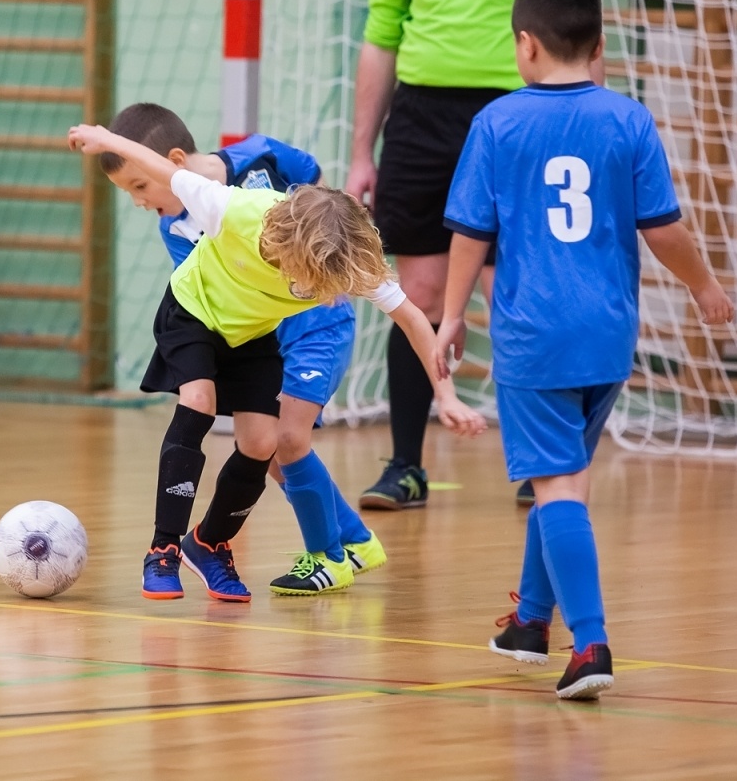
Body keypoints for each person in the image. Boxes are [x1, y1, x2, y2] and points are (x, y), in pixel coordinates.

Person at [433, 0, 733, 699]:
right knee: (561, 474)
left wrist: (449, 317)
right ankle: (531, 621)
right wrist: (703, 285)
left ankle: (590, 643)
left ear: (525, 46)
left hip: (535, 335)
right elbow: (663, 229)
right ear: (598, 45)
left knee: (558, 480)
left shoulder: (498, 124)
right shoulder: (629, 120)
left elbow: (472, 233)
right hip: (607, 334)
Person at [69, 120, 483, 603]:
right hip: (195, 312)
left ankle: (208, 543)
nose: (313, 289)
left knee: (265, 442)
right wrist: (102, 137)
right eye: (307, 279)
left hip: (252, 334)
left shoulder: (344, 257)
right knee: (199, 401)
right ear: (286, 245)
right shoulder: (234, 208)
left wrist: (448, 395)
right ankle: (162, 550)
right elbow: (163, 167)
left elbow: (414, 320)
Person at [345, 0, 589, 510]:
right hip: (422, 118)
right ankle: (406, 465)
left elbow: (579, 12)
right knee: (414, 290)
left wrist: (582, 119)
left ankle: (537, 461)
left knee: (515, 290)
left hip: (520, 113)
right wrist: (362, 150)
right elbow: (381, 38)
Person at [101, 102, 386, 596]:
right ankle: (351, 540)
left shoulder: (260, 157)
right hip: (264, 328)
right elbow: (220, 292)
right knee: (270, 446)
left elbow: (316, 190)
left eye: (141, 186)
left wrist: (330, 240)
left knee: (288, 441)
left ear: (170, 162)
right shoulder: (177, 229)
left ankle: (334, 552)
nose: (141, 201)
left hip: (317, 322)